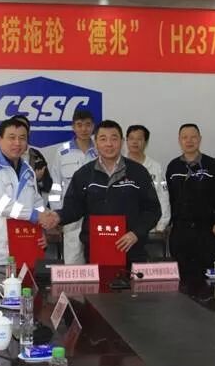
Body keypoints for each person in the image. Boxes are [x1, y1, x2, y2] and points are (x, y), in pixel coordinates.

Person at [41, 120, 161, 264]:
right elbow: (74, 207)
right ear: (96, 143)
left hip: (132, 249)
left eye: (114, 139)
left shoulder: (138, 172)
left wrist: (136, 233)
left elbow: (153, 210)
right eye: (103, 139)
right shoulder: (84, 174)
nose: (109, 144)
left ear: (122, 142)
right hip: (95, 250)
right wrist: (58, 216)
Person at [0, 117, 50, 266]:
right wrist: (37, 216)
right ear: (0, 140)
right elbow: (2, 205)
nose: (17, 143)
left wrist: (42, 228)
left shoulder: (28, 170)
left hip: (25, 243)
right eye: (11, 138)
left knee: (27, 281)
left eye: (22, 138)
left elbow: (37, 202)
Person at [165, 123, 215, 276]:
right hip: (180, 229)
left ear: (200, 139)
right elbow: (168, 197)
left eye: (193, 137)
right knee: (181, 274)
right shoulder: (173, 166)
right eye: (185, 137)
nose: (189, 141)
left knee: (206, 274)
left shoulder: (212, 164)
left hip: (206, 229)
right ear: (179, 140)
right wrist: (167, 223)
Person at [48, 109, 97, 264]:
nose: (84, 129)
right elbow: (56, 186)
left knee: (98, 257)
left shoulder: (100, 149)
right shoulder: (62, 152)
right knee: (73, 260)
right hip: (71, 214)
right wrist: (58, 214)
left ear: (93, 126)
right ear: (73, 127)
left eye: (88, 125)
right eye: (79, 125)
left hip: (96, 213)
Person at [125, 124, 170, 233]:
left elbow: (163, 196)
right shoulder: (118, 166)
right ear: (126, 141)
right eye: (131, 138)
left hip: (150, 228)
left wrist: (161, 225)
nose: (135, 142)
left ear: (145, 142)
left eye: (139, 139)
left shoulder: (156, 167)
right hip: (123, 228)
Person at [12, 114, 53, 194]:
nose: (20, 129)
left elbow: (48, 186)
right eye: (16, 126)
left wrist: (39, 180)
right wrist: (32, 180)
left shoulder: (36, 155)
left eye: (23, 127)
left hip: (34, 200)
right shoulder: (3, 155)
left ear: (28, 132)